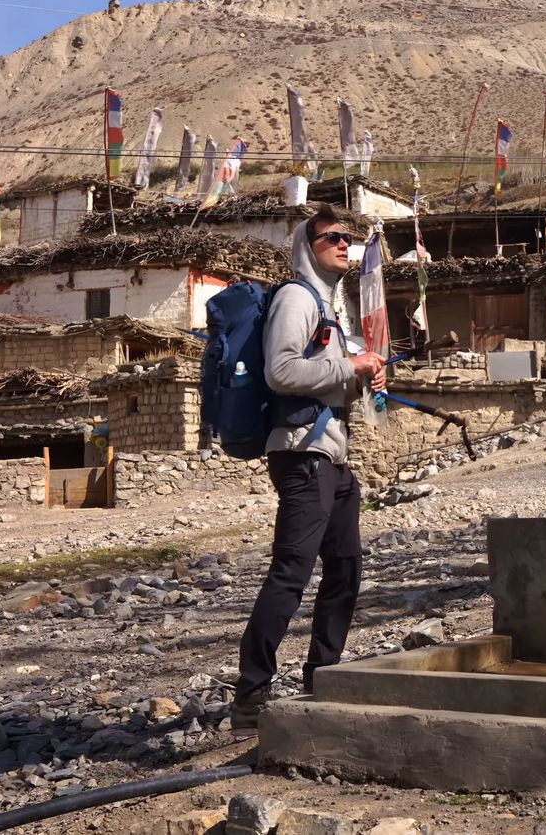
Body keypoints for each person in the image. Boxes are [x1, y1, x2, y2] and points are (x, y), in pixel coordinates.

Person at [231, 204, 385, 736]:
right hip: (302, 454)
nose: (344, 245)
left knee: (345, 569)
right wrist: (351, 365)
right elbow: (280, 371)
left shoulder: (327, 305)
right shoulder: (297, 298)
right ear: (308, 246)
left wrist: (362, 376)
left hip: (333, 459)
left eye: (348, 238)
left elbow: (326, 377)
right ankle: (251, 695)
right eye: (332, 238)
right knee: (292, 573)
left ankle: (323, 673)